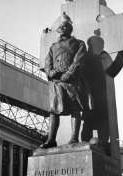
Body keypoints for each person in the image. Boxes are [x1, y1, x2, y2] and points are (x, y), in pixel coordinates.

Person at [40, 12, 91, 149]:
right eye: (61, 27)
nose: (62, 30)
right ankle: (51, 139)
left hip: (72, 82)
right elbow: (47, 64)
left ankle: (74, 137)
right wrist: (51, 73)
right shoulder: (53, 46)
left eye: (65, 27)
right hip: (56, 83)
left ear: (69, 29)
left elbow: (78, 60)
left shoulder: (79, 43)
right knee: (53, 111)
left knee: (75, 109)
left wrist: (69, 73)